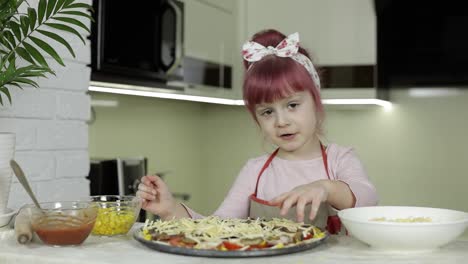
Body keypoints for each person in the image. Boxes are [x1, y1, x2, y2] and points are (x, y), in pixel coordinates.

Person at [136, 29, 378, 233]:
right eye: (267, 112)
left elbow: (367, 199)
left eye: (292, 105)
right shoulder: (256, 171)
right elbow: (218, 229)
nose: (281, 121)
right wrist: (171, 209)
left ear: (315, 101)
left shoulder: (339, 160)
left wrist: (326, 188)